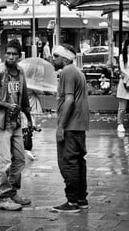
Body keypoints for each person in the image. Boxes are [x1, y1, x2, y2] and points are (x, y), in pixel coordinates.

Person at [0, 39, 33, 211]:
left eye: (14, 54)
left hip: (16, 122)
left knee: (19, 159)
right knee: (4, 161)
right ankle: (2, 197)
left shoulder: (20, 72)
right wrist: (6, 105)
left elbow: (24, 97)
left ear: (19, 56)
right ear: (5, 54)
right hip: (2, 123)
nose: (11, 57)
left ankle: (12, 193)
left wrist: (29, 118)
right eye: (8, 53)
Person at [51, 43, 89, 213]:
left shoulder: (67, 71)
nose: (53, 59)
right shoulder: (77, 72)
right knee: (79, 162)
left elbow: (69, 100)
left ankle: (72, 201)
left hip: (71, 126)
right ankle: (81, 198)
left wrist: (61, 126)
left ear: (65, 58)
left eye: (56, 56)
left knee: (68, 163)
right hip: (79, 125)